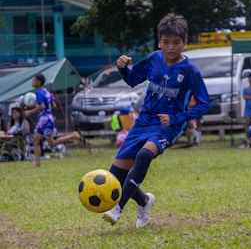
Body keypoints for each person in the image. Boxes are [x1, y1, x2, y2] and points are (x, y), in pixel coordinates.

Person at [102, 13, 211, 228]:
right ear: (159, 42)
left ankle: (118, 208)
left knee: (144, 155)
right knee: (116, 175)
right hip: (143, 122)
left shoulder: (190, 71)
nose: (171, 47)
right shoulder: (154, 59)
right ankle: (144, 201)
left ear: (185, 44)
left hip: (167, 126)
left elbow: (204, 104)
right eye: (166, 42)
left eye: (176, 43)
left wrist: (176, 118)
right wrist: (122, 68)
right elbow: (133, 79)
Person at [24, 73, 84, 167]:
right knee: (36, 141)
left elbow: (42, 106)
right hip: (47, 119)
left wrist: (30, 111)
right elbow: (53, 105)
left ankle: (72, 135)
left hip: (44, 120)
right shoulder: (47, 92)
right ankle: (37, 164)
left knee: (51, 143)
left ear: (39, 82)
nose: (33, 82)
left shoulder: (39, 92)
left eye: (34, 80)